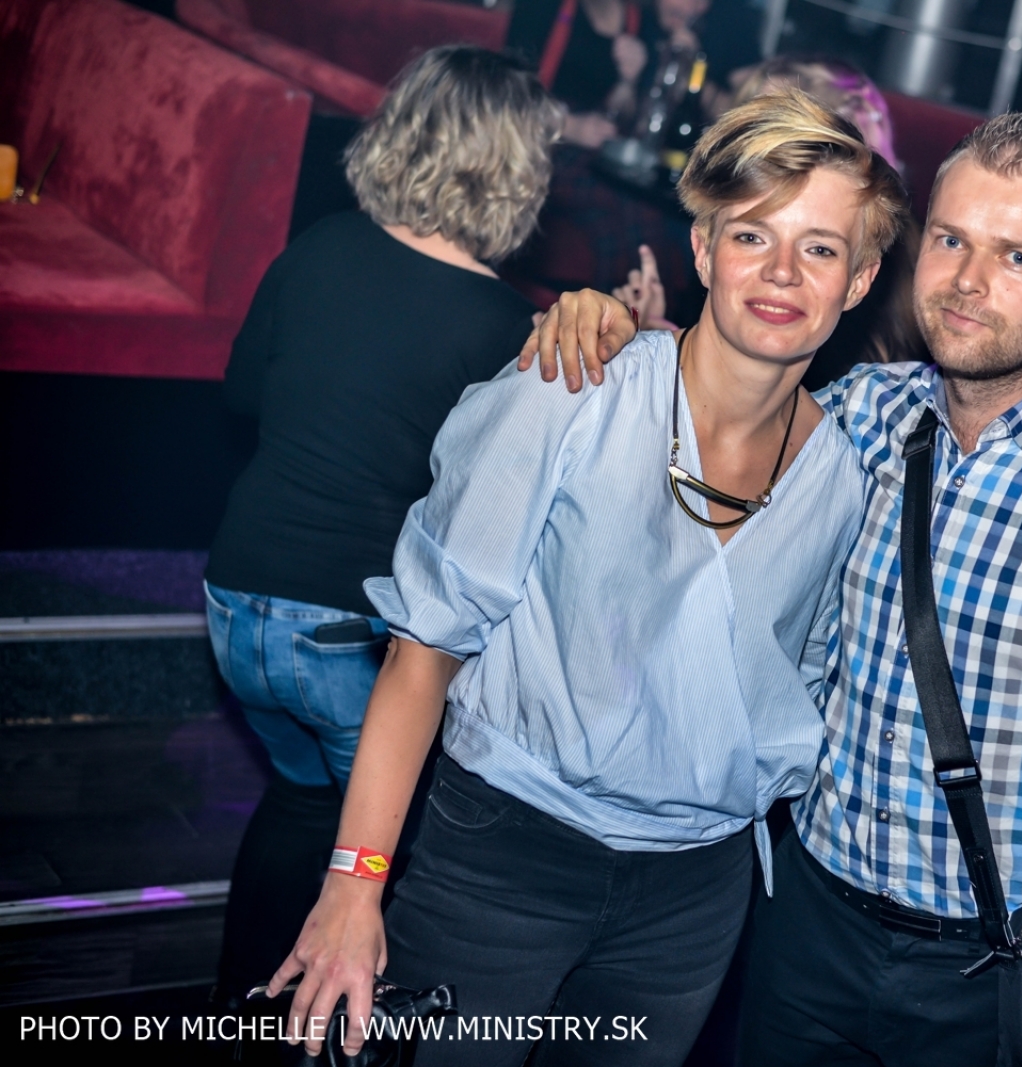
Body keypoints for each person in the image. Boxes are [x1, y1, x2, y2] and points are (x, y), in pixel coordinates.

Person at [529, 111, 1022, 1067]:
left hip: (997, 970)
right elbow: (714, 401)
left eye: (1017, 257)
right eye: (950, 240)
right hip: (807, 927)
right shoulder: (864, 414)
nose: (968, 280)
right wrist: (613, 332)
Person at [268, 90, 907, 1066]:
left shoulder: (844, 481)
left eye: (819, 248)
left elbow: (803, 679)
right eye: (752, 235)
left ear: (858, 280)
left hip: (693, 899)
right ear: (703, 250)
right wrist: (355, 883)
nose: (781, 272)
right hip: (503, 856)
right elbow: (422, 650)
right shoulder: (574, 385)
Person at [201, 47, 563, 1010]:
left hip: (235, 601)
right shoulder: (500, 324)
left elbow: (241, 395)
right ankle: (342, 1028)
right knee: (390, 856)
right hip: (350, 633)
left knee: (300, 801)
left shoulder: (319, 245)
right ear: (518, 169)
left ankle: (243, 1012)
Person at [614, 56, 922, 385]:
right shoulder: (728, 223)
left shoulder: (881, 253)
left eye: (775, 122)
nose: (782, 271)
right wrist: (658, 334)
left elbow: (801, 377)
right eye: (747, 120)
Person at [509, 0, 759, 147]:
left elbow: (754, 112)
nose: (695, 8)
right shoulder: (641, 20)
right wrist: (570, 126)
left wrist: (689, 74)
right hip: (533, 137)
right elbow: (504, 90)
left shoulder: (727, 20)